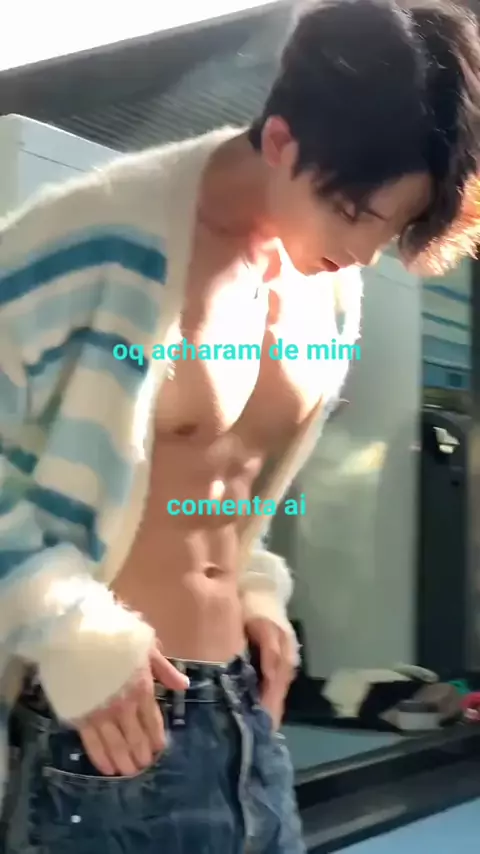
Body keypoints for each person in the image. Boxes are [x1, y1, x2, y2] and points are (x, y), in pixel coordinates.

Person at [1, 0, 480, 851]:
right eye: (358, 216)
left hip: (246, 719)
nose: (365, 254)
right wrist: (68, 631)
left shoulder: (328, 289)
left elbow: (224, 484)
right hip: (110, 730)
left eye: (394, 228)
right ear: (283, 141)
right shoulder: (94, 232)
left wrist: (257, 591)